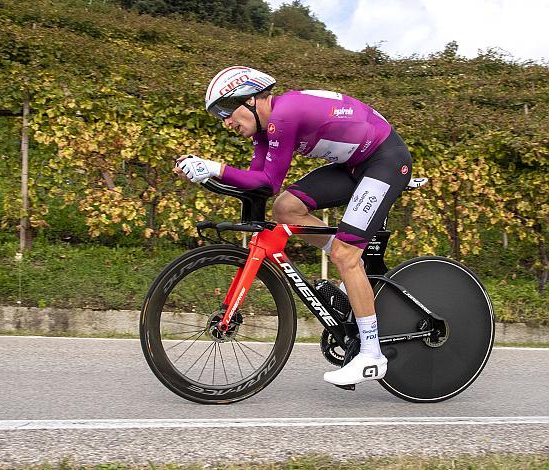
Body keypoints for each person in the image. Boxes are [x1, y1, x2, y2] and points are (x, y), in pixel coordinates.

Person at [175, 66, 412, 387]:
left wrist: (215, 167)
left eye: (227, 110)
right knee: (286, 208)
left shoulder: (283, 116)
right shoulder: (264, 130)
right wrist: (209, 174)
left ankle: (372, 354)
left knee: (345, 254)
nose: (226, 122)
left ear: (251, 100)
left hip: (385, 159)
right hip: (352, 165)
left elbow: (269, 181)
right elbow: (259, 185)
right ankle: (350, 268)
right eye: (220, 116)